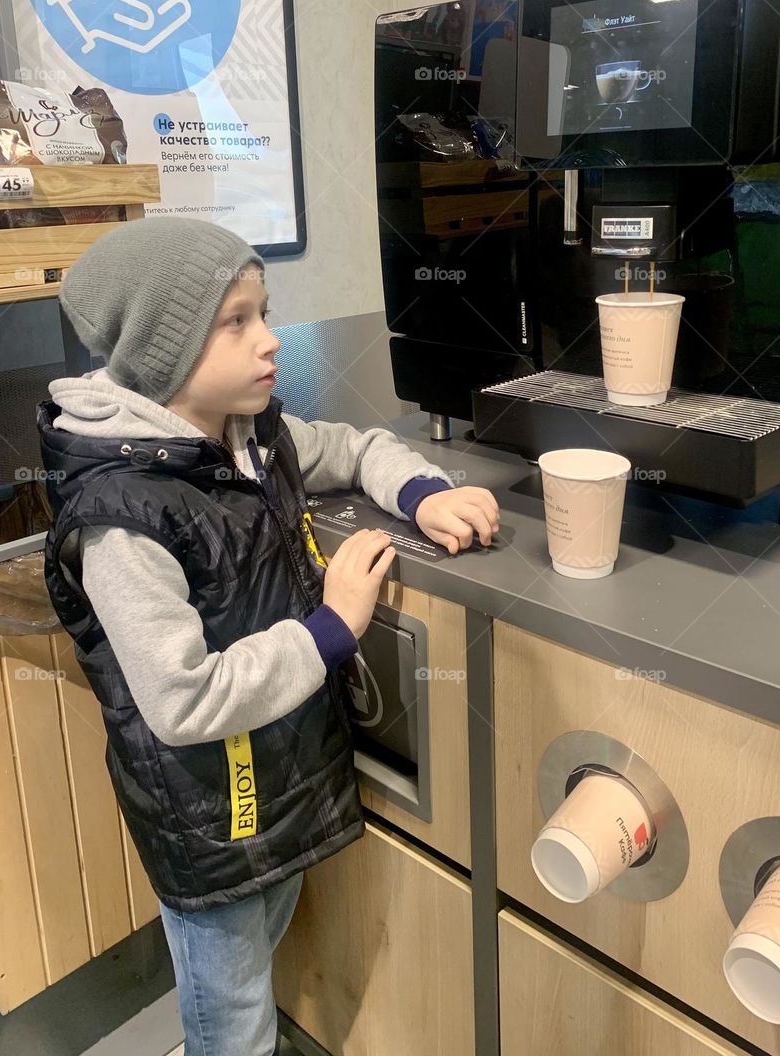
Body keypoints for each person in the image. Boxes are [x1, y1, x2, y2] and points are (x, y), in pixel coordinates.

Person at [36, 217, 500, 1056]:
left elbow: (356, 448)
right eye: (237, 320)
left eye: (265, 312)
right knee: (234, 1014)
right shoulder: (122, 519)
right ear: (161, 352)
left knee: (259, 954)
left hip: (271, 785)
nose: (270, 339)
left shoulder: (249, 440)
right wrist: (332, 628)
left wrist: (424, 491)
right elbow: (183, 698)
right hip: (205, 814)